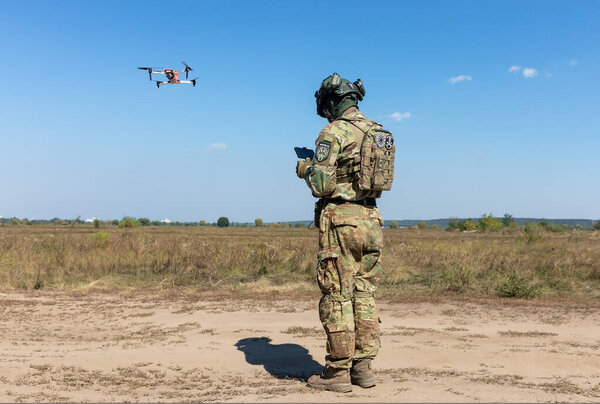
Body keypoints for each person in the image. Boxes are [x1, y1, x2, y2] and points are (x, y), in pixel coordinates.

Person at [296, 73, 395, 393]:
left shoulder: (333, 131)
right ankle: (363, 368)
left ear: (333, 101)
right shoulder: (377, 131)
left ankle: (338, 372)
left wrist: (305, 168)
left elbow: (321, 185)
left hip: (341, 220)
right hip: (371, 219)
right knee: (364, 293)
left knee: (337, 294)